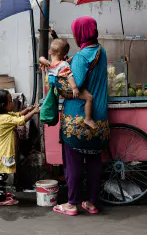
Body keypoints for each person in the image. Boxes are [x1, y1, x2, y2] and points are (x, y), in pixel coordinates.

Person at [53, 16, 109, 216]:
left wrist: (56, 78)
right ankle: (92, 203)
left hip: (77, 118)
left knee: (74, 162)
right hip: (100, 117)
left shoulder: (81, 56)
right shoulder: (101, 52)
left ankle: (72, 204)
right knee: (94, 161)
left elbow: (72, 87)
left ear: (80, 34)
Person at [39, 38, 97, 129]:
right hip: (69, 91)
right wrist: (74, 88)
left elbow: (41, 58)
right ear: (64, 55)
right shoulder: (63, 65)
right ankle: (88, 119)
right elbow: (69, 76)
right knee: (89, 97)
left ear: (50, 52)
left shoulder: (49, 65)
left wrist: (44, 60)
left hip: (60, 91)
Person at [0, 90, 39, 205]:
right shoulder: (5, 119)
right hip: (3, 152)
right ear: (2, 106)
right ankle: (1, 199)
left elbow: (18, 114)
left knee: (1, 174)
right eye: (10, 101)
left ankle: (1, 194)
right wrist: (34, 112)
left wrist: (28, 109)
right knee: (1, 175)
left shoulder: (2, 116)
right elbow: (21, 121)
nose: (12, 103)